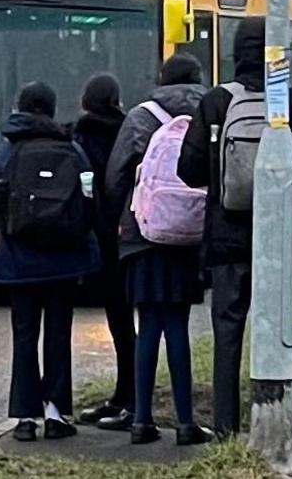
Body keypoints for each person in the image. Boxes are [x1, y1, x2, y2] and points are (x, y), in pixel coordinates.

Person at [177, 16, 292, 465]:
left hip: (229, 242)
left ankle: (227, 431)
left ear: (236, 53)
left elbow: (187, 171)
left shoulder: (215, 103)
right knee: (287, 337)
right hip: (286, 242)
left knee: (228, 334)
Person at [104, 54, 213, 447]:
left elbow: (116, 177)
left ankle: (141, 419)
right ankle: (186, 423)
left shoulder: (139, 117)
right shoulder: (208, 113)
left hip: (143, 233)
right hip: (188, 235)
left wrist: (120, 220)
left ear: (161, 79)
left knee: (148, 325)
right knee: (178, 327)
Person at [0, 82, 99, 442]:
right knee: (58, 334)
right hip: (63, 259)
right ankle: (56, 412)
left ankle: (24, 417)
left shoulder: (5, 152)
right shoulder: (72, 148)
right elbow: (88, 200)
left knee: (24, 336)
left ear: (21, 108)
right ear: (51, 109)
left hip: (19, 260)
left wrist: (6, 239)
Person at [72, 74, 137, 431]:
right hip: (134, 233)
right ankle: (130, 393)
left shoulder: (79, 137)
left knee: (119, 322)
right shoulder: (132, 131)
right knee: (143, 322)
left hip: (100, 239)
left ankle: (125, 395)